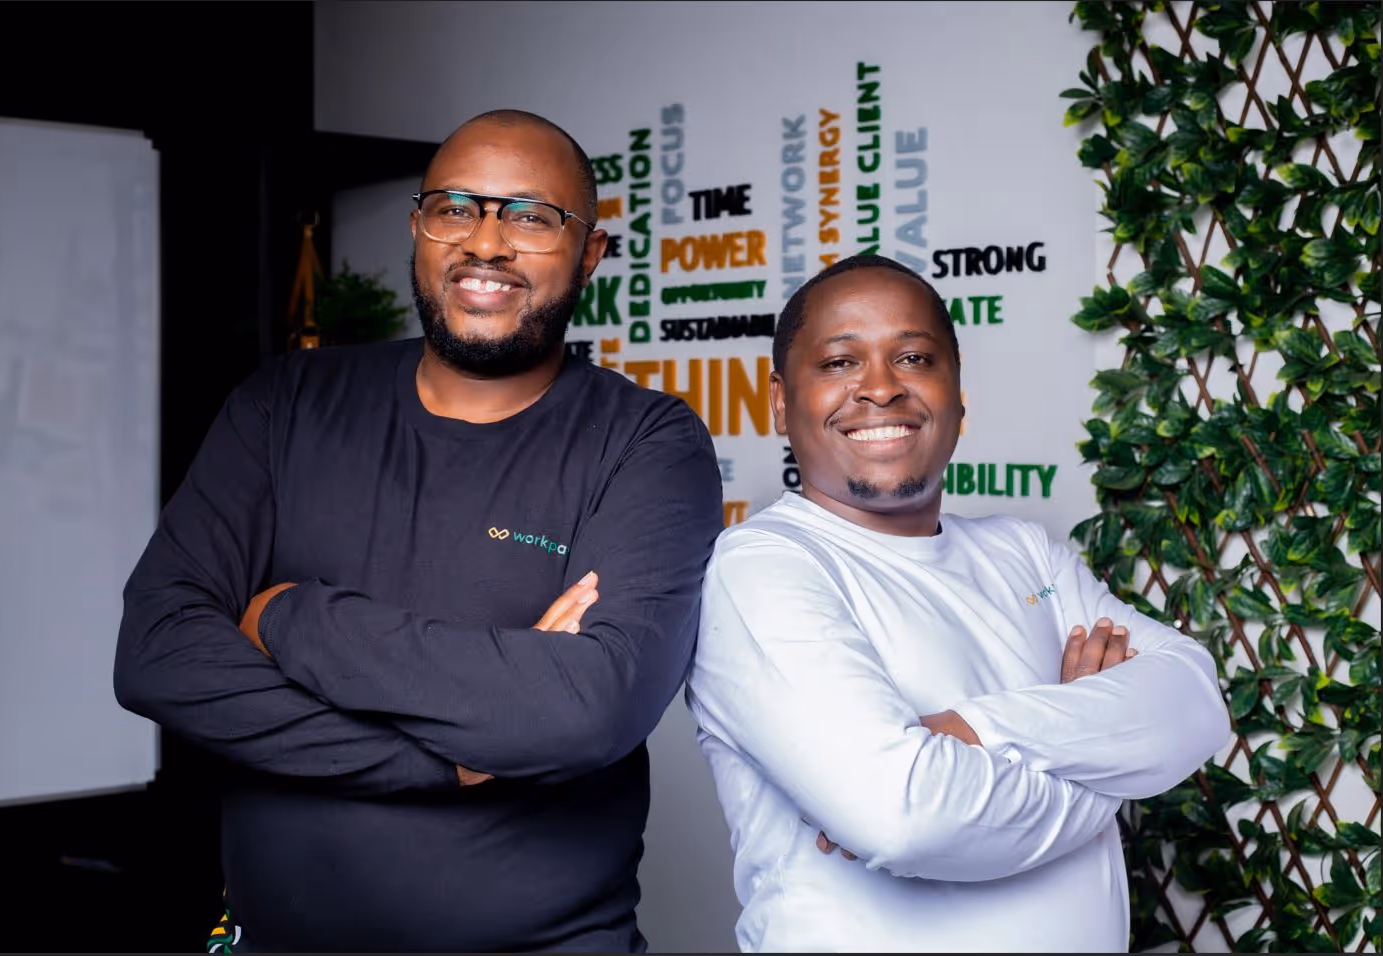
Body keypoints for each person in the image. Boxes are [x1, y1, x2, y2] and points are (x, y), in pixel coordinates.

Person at [115, 109, 724, 953]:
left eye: (530, 216)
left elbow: (588, 709)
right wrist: (446, 760)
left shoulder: (646, 442)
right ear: (418, 227)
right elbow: (158, 654)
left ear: (590, 253)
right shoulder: (285, 402)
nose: (486, 242)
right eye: (455, 208)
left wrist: (286, 617)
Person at [684, 253, 1231, 952]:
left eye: (912, 357)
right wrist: (1110, 774)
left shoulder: (1024, 551)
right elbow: (901, 814)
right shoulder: (763, 567)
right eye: (839, 363)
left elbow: (1193, 697)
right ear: (780, 403)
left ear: (957, 391)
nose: (880, 389)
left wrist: (967, 732)